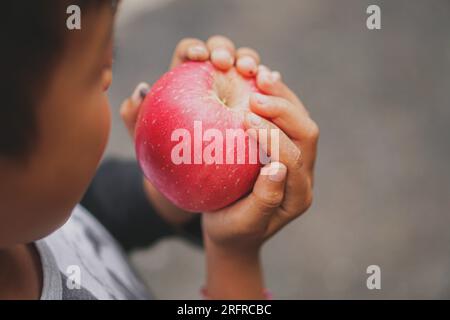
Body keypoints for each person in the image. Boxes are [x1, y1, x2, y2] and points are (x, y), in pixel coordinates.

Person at [0, 0, 319, 299]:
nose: (110, 79)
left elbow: (88, 217)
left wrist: (171, 192)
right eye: (96, 71)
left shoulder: (27, 212)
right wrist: (234, 258)